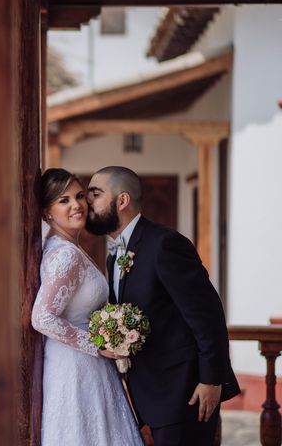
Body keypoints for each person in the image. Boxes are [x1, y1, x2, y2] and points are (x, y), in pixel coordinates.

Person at [86, 166, 240, 446]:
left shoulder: (164, 244)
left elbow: (207, 315)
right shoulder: (115, 255)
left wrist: (211, 380)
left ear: (122, 201)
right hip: (149, 392)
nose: (87, 203)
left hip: (185, 391)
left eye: (94, 195)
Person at [31, 168, 144, 446]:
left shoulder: (67, 247)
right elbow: (42, 317)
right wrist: (97, 345)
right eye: (64, 200)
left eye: (79, 196)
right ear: (47, 212)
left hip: (84, 364)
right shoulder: (66, 254)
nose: (76, 205)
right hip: (76, 366)